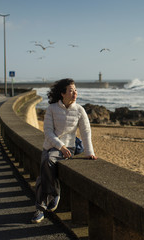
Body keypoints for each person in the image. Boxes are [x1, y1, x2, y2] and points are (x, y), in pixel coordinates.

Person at [31, 78, 97, 223]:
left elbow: (86, 132)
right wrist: (60, 146)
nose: (75, 93)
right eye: (71, 90)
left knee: (48, 161)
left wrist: (89, 152)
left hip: (69, 147)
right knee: (45, 169)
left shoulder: (79, 110)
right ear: (62, 93)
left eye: (75, 90)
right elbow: (47, 132)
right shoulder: (52, 109)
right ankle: (50, 198)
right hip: (51, 146)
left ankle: (43, 205)